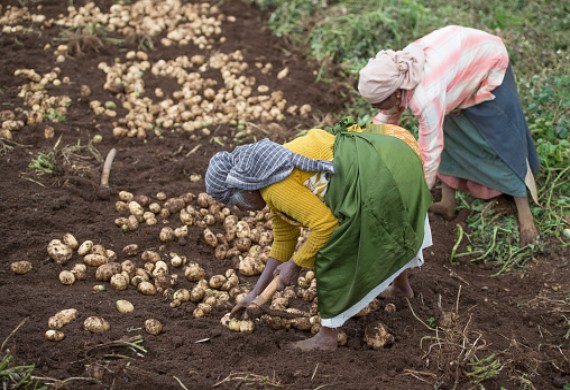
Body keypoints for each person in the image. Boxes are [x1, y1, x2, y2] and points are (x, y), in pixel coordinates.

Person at [205, 122, 432, 351]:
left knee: (331, 250)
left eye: (237, 204)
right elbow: (284, 241)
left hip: (381, 171)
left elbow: (325, 226)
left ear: (245, 189)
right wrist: (255, 293)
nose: (242, 210)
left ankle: (327, 337)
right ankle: (402, 287)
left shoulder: (275, 189)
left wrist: (295, 265)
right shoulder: (270, 173)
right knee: (349, 233)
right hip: (389, 153)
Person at [358, 25, 540, 246]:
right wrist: (363, 151)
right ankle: (447, 203)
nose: (378, 107)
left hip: (486, 61)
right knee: (451, 136)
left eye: (379, 103)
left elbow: (430, 151)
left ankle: (525, 216)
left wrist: (418, 196)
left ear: (396, 92)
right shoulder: (397, 75)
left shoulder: (425, 96)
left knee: (500, 140)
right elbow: (384, 120)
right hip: (456, 65)